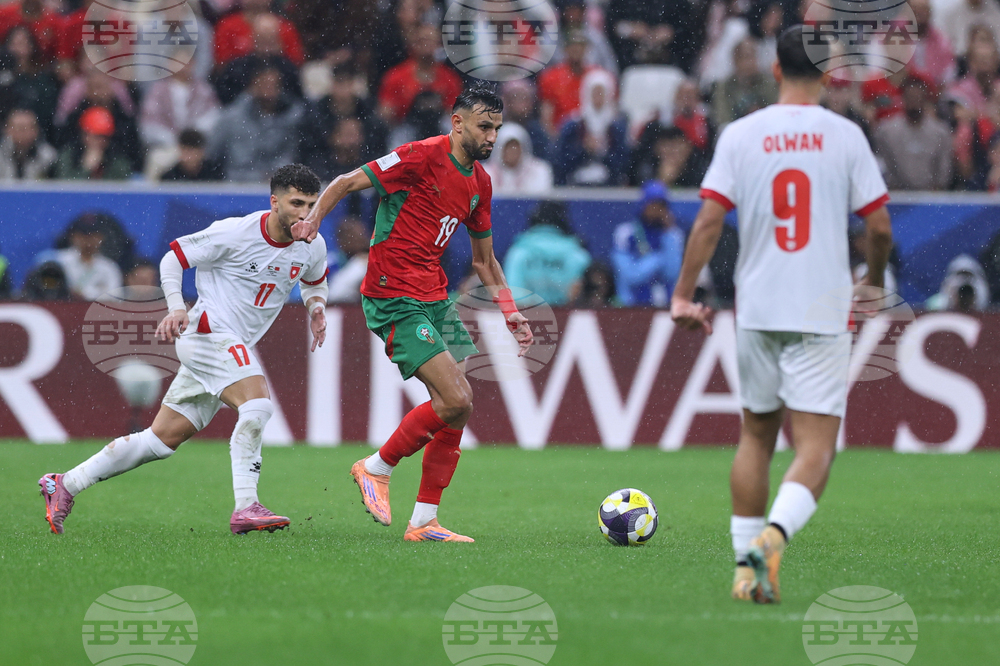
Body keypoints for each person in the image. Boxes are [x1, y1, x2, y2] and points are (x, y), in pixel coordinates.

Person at [670, 25, 894, 604]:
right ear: (827, 74)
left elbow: (708, 221)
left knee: (756, 436)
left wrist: (683, 294)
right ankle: (774, 535)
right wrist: (870, 282)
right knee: (815, 446)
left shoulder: (742, 135)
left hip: (759, 305)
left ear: (774, 71)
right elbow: (879, 226)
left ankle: (744, 574)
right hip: (821, 307)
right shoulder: (845, 136)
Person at [292, 84, 534, 542]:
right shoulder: (419, 156)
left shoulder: (481, 182)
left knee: (457, 409)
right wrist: (315, 219)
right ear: (457, 121)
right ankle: (375, 467)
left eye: (497, 129)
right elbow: (347, 182)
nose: (492, 137)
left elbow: (484, 260)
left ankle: (424, 521)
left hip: (435, 296)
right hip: (392, 293)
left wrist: (510, 311)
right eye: (484, 126)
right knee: (457, 400)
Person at [39, 164, 330, 535]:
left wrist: (316, 308)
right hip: (210, 334)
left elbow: (314, 280)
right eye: (296, 203)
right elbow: (174, 256)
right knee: (256, 405)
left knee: (159, 441)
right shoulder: (235, 232)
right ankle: (246, 506)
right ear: (274, 202)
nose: (305, 213)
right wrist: (176, 306)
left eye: (311, 204)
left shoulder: (313, 243)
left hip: (228, 344)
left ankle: (64, 484)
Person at [503, 201, 591, 305]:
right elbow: (584, 297)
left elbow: (514, 294)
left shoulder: (518, 253)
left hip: (526, 317)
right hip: (567, 317)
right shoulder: (578, 255)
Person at [611, 181, 685, 306]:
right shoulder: (626, 233)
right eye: (653, 205)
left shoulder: (674, 235)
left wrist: (668, 234)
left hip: (666, 304)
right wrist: (658, 259)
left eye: (661, 206)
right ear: (643, 204)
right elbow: (629, 275)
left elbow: (672, 274)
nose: (657, 210)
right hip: (630, 305)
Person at [873, 75, 953, 190]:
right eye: (910, 97)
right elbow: (884, 167)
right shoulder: (886, 131)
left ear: (925, 99)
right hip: (897, 198)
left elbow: (944, 171)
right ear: (903, 99)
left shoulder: (940, 133)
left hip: (931, 198)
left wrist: (934, 192)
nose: (914, 102)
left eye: (918, 97)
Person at [54, 215, 123, 300]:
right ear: (73, 236)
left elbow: (114, 297)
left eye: (93, 235)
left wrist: (85, 294)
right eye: (83, 235)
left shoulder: (109, 267)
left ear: (101, 238)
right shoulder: (58, 261)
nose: (88, 240)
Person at [482, 123, 554, 195]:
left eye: (516, 147)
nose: (512, 151)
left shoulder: (539, 171)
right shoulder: (485, 174)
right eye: (508, 147)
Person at [0, 108, 57, 180]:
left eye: (28, 128)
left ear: (36, 131)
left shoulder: (48, 157)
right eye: (20, 128)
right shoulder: (1, 156)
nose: (24, 133)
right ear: (8, 130)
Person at [327, 216, 369, 303]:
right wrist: (358, 264)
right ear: (341, 240)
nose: (361, 241)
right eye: (354, 237)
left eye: (362, 235)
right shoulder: (329, 262)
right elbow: (334, 295)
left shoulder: (368, 260)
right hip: (333, 306)